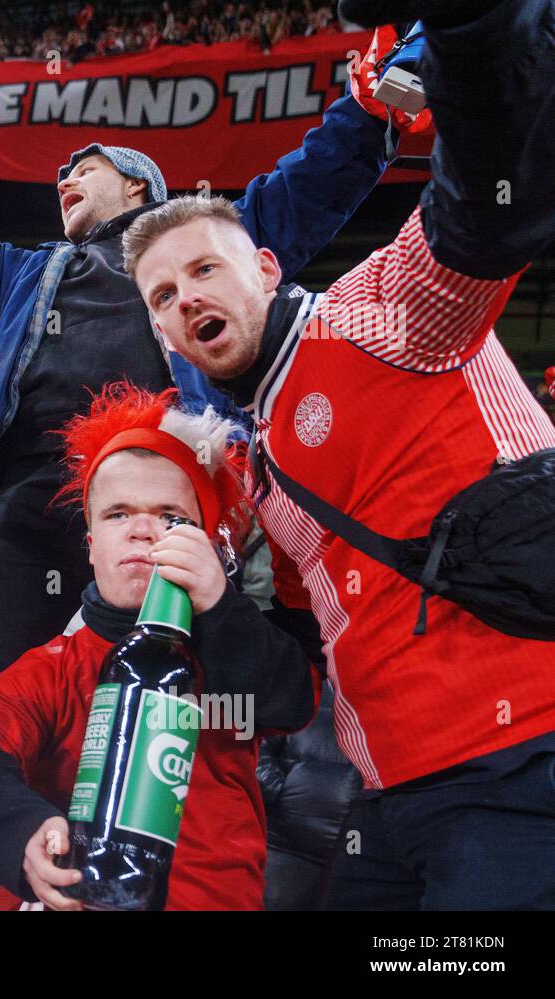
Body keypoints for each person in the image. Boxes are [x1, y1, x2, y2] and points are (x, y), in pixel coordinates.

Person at [123, 0, 555, 908]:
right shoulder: (256, 461)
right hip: (389, 797)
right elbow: (292, 654)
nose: (183, 297)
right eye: (162, 294)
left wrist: (473, 34)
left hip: (518, 761)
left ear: (269, 270)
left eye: (205, 268)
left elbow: (485, 211)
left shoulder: (374, 312)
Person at [0, 52, 397, 702]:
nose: (64, 175)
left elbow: (309, 185)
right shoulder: (27, 273)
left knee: (145, 706)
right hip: (32, 496)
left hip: (166, 488)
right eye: (63, 170)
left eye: (86, 168)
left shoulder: (206, 241)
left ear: (140, 186)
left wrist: (375, 111)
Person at [0, 384, 318, 909]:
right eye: (118, 514)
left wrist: (217, 605)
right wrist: (23, 833)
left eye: (172, 516)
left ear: (211, 544)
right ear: (92, 546)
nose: (143, 529)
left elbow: (288, 701)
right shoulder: (49, 669)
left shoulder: (231, 657)